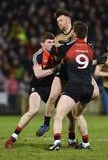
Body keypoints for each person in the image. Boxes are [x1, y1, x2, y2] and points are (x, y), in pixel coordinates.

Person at [36, 10, 104, 141]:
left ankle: (74, 132)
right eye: (57, 22)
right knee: (52, 97)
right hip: (63, 71)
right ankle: (45, 124)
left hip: (77, 72)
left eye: (60, 20)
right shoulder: (57, 38)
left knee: (95, 94)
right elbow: (55, 54)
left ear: (68, 20)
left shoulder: (78, 33)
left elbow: (84, 54)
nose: (59, 23)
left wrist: (95, 61)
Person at [5, 32, 58, 148]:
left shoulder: (57, 53)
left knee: (63, 112)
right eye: (49, 42)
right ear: (42, 44)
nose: (52, 44)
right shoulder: (37, 56)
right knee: (33, 110)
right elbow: (38, 74)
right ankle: (13, 137)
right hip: (37, 87)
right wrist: (54, 69)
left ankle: (68, 139)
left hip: (51, 87)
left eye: (53, 42)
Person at [49, 21, 95, 150]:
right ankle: (85, 143)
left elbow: (54, 50)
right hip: (88, 87)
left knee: (58, 115)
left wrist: (48, 43)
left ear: (74, 32)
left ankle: (57, 143)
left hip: (75, 86)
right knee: (78, 115)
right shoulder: (90, 48)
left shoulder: (70, 46)